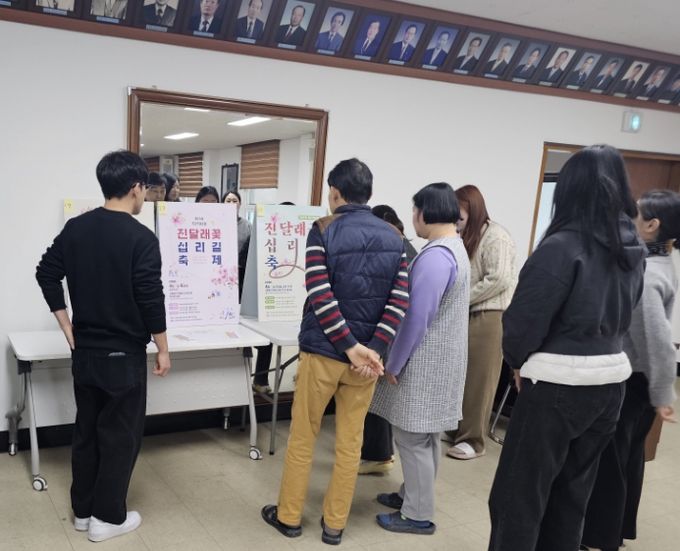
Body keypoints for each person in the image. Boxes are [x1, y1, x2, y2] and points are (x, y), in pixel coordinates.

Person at [487, 144, 646, 551]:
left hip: (558, 385)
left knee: (518, 498)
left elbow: (522, 321)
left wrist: (517, 361)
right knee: (571, 498)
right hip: (610, 385)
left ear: (570, 189)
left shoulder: (561, 247)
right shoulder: (632, 249)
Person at [261, 158, 409, 546]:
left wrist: (348, 345)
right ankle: (335, 526)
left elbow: (319, 293)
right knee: (350, 443)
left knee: (303, 435)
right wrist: (372, 349)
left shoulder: (323, 230)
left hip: (323, 352)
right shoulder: (394, 238)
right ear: (368, 193)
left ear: (335, 192)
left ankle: (289, 517)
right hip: (367, 365)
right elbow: (399, 302)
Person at [35, 150, 170, 542]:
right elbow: (150, 297)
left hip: (85, 355)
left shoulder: (76, 228)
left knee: (88, 431)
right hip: (123, 357)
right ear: (136, 188)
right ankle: (107, 518)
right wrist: (163, 348)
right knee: (120, 437)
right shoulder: (141, 238)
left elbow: (46, 273)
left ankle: (83, 511)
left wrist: (67, 326)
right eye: (145, 189)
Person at [581, 190, 680, 551]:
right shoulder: (660, 262)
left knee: (611, 460)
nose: (628, 217)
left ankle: (600, 537)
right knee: (627, 457)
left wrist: (662, 393)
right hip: (639, 380)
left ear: (652, 225)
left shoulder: (649, 273)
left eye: (636, 213)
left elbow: (658, 341)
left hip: (631, 379)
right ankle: (617, 530)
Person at [370, 183, 470, 535]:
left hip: (425, 362)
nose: (413, 218)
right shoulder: (455, 247)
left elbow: (416, 318)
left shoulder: (435, 257)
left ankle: (416, 514)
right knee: (426, 437)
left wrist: (394, 363)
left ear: (425, 213)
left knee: (413, 439)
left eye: (414, 211)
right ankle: (411, 496)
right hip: (443, 360)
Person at [446, 185, 516, 460]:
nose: (456, 221)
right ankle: (459, 430)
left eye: (460, 215)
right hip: (470, 312)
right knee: (462, 376)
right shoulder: (469, 235)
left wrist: (461, 298)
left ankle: (473, 440)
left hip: (490, 315)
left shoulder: (496, 236)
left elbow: (499, 279)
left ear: (473, 210)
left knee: (480, 379)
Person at [359, 204, 418, 475]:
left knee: (377, 397)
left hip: (390, 333)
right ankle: (378, 453)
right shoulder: (406, 247)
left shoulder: (399, 250)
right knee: (379, 397)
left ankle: (378, 455)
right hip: (393, 332)